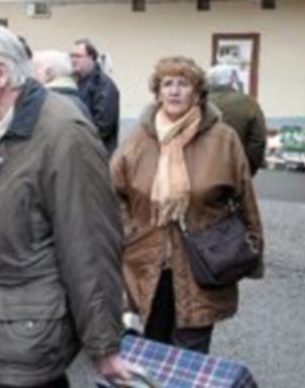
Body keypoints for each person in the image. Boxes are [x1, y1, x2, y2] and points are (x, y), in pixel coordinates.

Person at [0, 26, 130, 388]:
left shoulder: (64, 134)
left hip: (28, 337)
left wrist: (103, 345)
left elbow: (90, 246)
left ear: (0, 74)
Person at [110, 56, 264, 354]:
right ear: (157, 93)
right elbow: (112, 195)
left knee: (191, 352)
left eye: (184, 84)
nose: (175, 91)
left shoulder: (223, 139)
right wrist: (128, 232)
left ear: (198, 93)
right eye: (168, 84)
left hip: (203, 262)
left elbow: (245, 196)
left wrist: (252, 248)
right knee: (153, 349)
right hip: (147, 262)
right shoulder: (137, 141)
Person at [207, 64, 268, 176]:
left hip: (200, 170)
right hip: (235, 169)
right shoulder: (248, 103)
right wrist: (249, 169)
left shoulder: (195, 102)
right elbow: (258, 141)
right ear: (232, 80)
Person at [72, 39, 120, 154]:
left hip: (97, 153)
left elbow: (103, 127)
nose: (73, 60)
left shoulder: (104, 85)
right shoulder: (75, 82)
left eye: (78, 56)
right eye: (72, 56)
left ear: (91, 57)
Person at [32, 50, 92, 120]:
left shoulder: (46, 106)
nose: (31, 75)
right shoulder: (78, 103)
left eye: (34, 69)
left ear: (48, 74)